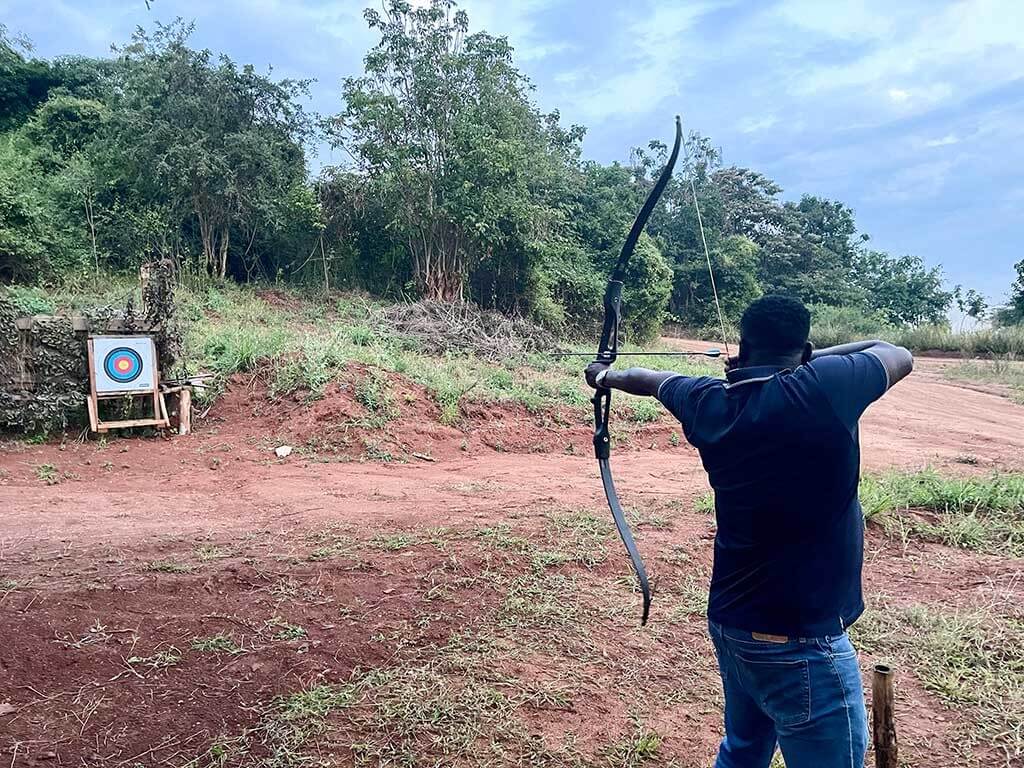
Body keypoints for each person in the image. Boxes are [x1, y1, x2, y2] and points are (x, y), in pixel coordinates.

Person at [585, 294, 913, 768]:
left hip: (733, 623)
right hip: (800, 640)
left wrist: (603, 375)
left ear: (741, 347)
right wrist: (805, 360)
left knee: (742, 754)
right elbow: (895, 352)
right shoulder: (826, 386)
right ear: (804, 351)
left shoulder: (705, 401)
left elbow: (650, 380)